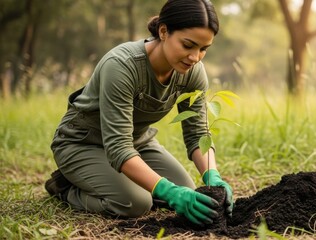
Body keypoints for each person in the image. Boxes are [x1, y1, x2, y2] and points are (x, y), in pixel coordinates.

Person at [44, 0, 233, 226]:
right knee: (136, 203)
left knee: (188, 191)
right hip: (82, 143)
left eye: (203, 49)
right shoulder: (122, 66)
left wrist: (214, 176)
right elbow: (118, 147)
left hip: (136, 143)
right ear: (163, 32)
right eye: (188, 45)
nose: (195, 57)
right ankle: (66, 189)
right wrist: (168, 192)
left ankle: (115, 180)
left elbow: (197, 133)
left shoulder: (192, 72)